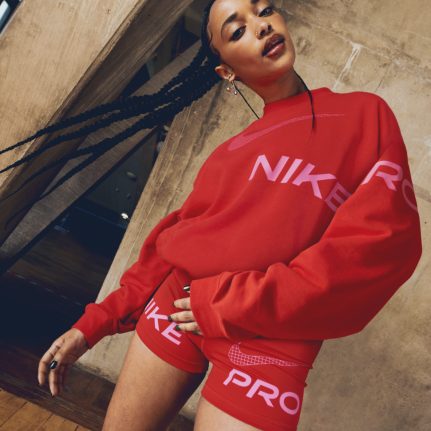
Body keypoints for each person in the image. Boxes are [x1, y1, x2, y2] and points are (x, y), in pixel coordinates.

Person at [0, 0, 420, 429]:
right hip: (180, 304)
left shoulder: (366, 116)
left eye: (264, 10)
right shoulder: (230, 153)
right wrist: (92, 325)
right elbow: (173, 244)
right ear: (227, 72)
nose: (261, 26)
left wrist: (230, 303)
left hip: (272, 336)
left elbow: (381, 245)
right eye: (236, 31)